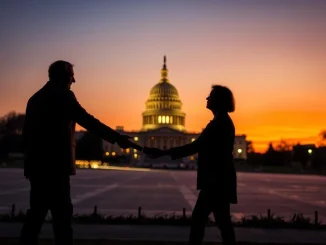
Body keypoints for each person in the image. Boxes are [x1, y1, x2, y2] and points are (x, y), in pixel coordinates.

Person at [20, 60, 141, 245]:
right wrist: (117, 138)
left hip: (38, 169)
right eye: (71, 76)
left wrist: (29, 166)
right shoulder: (64, 96)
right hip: (57, 168)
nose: (74, 80)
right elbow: (88, 121)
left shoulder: (34, 99)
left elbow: (27, 137)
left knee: (35, 217)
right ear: (61, 77)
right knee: (62, 221)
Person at [151, 85, 237, 245]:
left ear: (218, 101)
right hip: (220, 179)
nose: (207, 98)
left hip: (215, 181)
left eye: (210, 96)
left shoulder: (219, 123)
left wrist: (163, 153)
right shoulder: (221, 121)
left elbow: (195, 146)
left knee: (200, 219)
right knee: (222, 222)